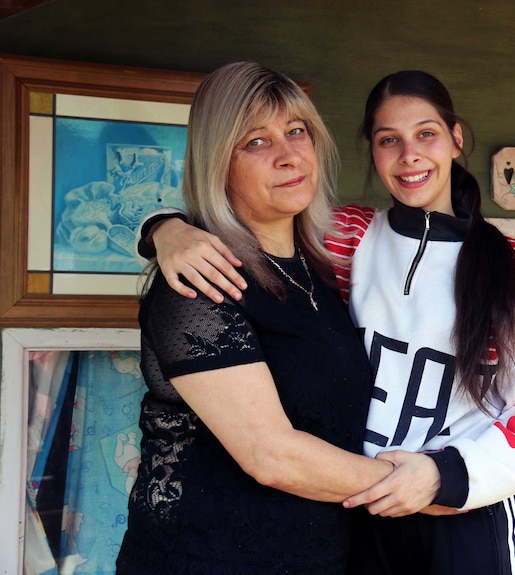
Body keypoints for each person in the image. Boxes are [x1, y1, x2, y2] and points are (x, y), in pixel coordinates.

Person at [141, 70, 515, 574]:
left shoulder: (513, 266)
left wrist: (453, 476)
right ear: (370, 151)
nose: (410, 155)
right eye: (387, 140)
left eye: (426, 134)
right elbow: (254, 219)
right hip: (351, 511)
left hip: (457, 505)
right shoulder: (347, 239)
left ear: (456, 138)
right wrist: (164, 227)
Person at [115, 61, 410, 575]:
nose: (288, 155)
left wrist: (159, 224)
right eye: (255, 142)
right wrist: (420, 488)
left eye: (296, 132)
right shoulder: (199, 281)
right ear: (217, 163)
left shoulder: (322, 270)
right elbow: (270, 455)